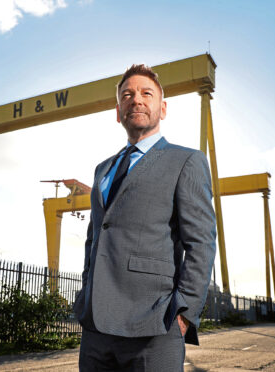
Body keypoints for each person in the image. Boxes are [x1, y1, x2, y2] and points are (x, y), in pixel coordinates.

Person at [73, 64, 216, 371]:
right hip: (96, 328)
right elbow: (94, 237)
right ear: (118, 111)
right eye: (127, 94)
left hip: (154, 324)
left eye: (146, 93)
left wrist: (184, 315)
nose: (136, 99)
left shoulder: (187, 161)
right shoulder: (103, 169)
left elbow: (202, 242)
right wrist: (86, 293)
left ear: (162, 109)